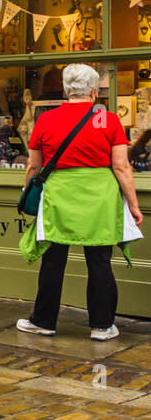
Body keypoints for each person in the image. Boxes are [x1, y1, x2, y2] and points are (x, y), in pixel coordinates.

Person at [18, 64, 144, 341]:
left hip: (60, 194)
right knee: (99, 261)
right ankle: (102, 326)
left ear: (65, 89)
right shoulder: (109, 120)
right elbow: (122, 167)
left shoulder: (46, 120)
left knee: (53, 260)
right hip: (99, 196)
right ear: (93, 91)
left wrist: (27, 191)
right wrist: (133, 205)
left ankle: (44, 321)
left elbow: (34, 165)